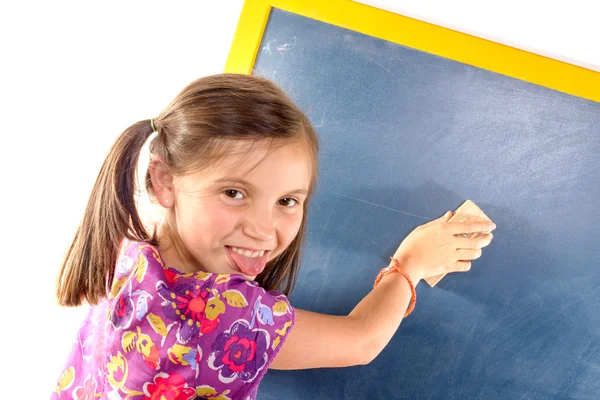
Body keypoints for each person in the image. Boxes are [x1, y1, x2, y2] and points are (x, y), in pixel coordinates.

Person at [52, 74, 496, 400]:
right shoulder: (222, 316)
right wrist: (411, 265)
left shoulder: (128, 252)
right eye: (234, 192)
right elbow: (360, 340)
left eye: (287, 201)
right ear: (164, 182)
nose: (263, 231)